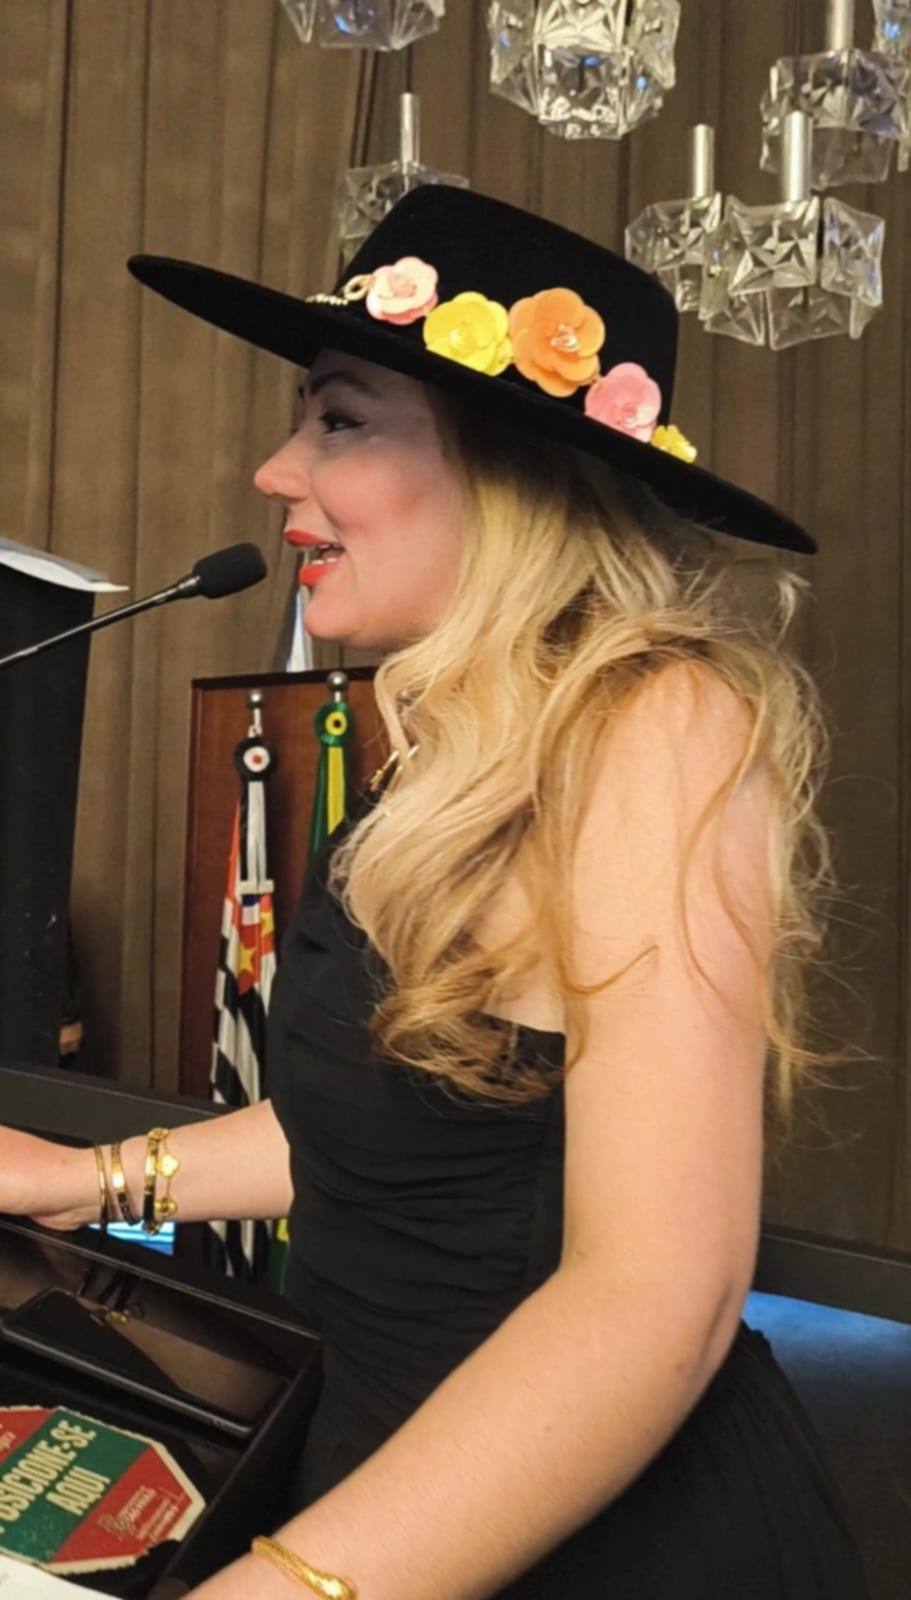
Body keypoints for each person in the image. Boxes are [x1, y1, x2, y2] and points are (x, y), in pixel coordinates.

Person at [0, 187, 871, 1599]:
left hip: (595, 1540)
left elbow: (658, 1295)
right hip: (381, 1473)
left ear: (514, 469)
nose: (277, 471)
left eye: (340, 420)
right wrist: (86, 1178)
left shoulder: (658, 719)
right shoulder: (449, 747)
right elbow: (394, 1144)